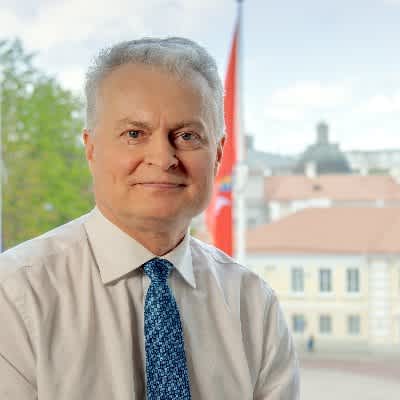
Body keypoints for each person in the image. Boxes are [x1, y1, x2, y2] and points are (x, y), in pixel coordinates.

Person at [0, 37, 299, 399]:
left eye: (187, 135)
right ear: (91, 148)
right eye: (134, 134)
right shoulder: (14, 295)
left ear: (218, 154)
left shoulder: (253, 303)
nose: (163, 158)